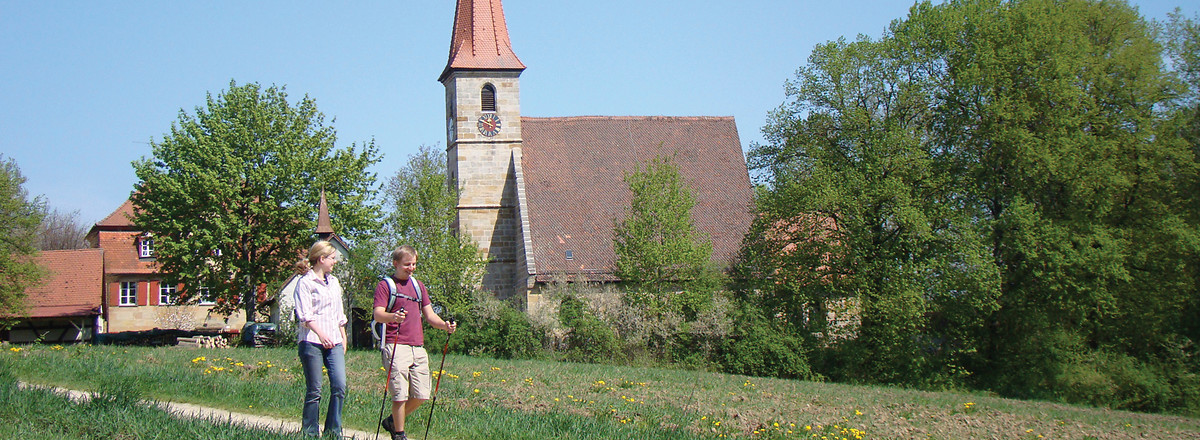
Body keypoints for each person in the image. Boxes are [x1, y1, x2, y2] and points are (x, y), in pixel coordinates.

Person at [373, 245, 458, 440]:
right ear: (396, 264)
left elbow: (430, 316)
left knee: (422, 394)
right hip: (395, 344)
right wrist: (393, 317)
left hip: (417, 346)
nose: (411, 268)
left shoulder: (418, 287)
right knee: (399, 394)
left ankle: (392, 422)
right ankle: (400, 434)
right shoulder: (386, 286)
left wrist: (445, 326)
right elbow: (378, 314)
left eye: (414, 264)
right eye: (407, 264)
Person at [293, 240, 348, 438]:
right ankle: (309, 432)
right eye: (332, 258)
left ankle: (333, 431)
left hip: (334, 341)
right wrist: (321, 334)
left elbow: (339, 312)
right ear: (321, 259)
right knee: (315, 389)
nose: (334, 262)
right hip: (312, 342)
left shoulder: (334, 282)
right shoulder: (305, 283)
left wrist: (343, 334)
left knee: (339, 385)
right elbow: (305, 315)